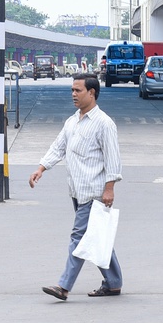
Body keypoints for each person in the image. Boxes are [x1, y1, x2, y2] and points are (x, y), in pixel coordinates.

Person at [30, 73, 123, 301]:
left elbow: (113, 159)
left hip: (94, 191)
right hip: (77, 190)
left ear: (91, 93)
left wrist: (109, 188)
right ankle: (113, 283)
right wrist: (42, 167)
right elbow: (58, 147)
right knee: (97, 236)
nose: (73, 94)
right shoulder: (72, 121)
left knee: (79, 237)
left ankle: (64, 286)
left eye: (77, 90)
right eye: (72, 90)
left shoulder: (104, 124)